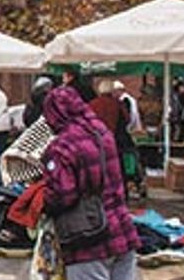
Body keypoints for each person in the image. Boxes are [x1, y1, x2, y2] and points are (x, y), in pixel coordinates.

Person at [41, 86, 139, 280]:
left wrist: (41, 200)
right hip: (122, 229)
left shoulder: (62, 146)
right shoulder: (102, 133)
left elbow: (63, 195)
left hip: (88, 239)